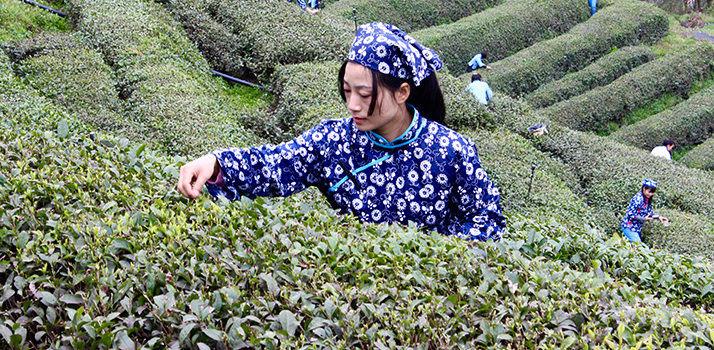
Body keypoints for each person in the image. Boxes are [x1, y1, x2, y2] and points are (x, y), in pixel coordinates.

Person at [177, 22, 505, 242]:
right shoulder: (334, 142)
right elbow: (276, 164)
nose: (353, 105)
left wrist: (431, 259)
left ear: (403, 93)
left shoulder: (451, 150)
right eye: (347, 91)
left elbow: (487, 220)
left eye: (365, 94)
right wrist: (216, 164)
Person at [621, 178, 669, 243]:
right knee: (638, 246)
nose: (650, 194)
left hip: (636, 228)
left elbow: (649, 212)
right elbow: (631, 214)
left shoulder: (646, 199)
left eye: (652, 192)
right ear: (644, 188)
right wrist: (644, 218)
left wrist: (659, 217)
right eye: (649, 192)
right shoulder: (638, 199)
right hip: (629, 227)